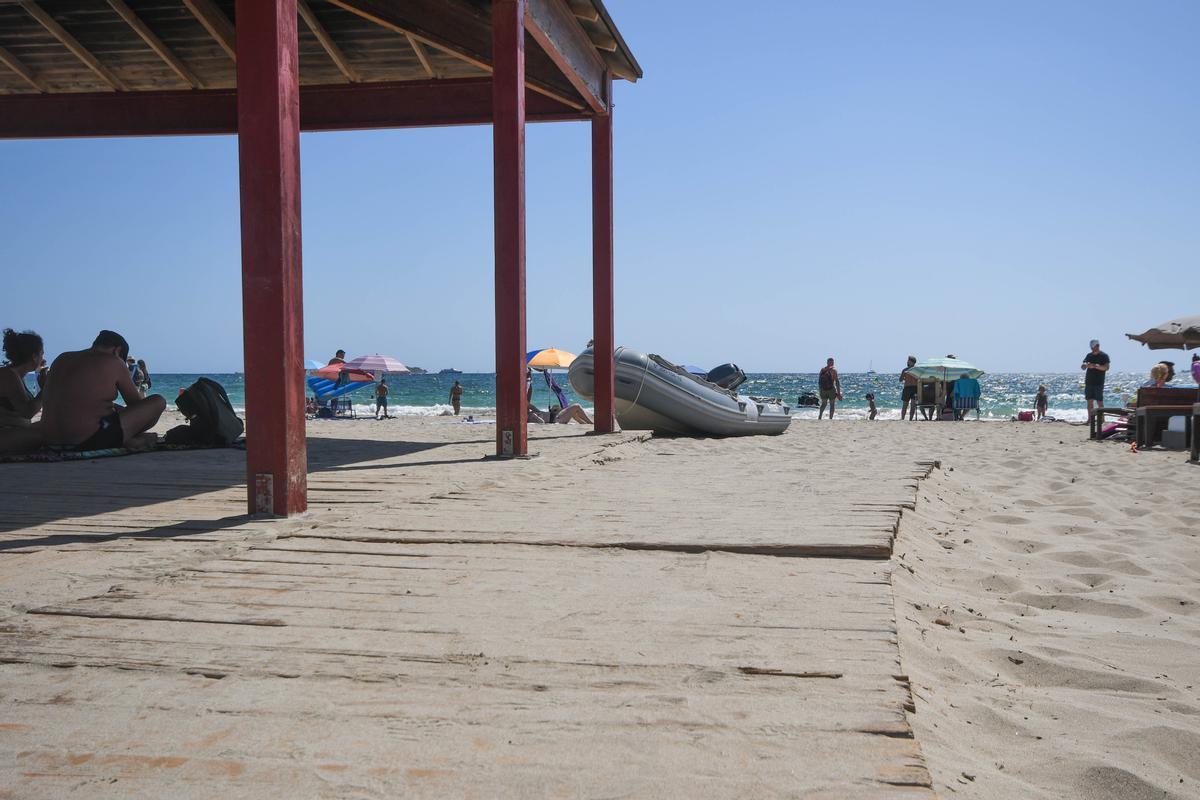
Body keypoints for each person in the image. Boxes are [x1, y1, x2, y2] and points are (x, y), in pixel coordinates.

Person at [41, 330, 166, 450]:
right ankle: (131, 440)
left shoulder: (61, 358)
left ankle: (127, 439)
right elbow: (136, 405)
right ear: (117, 351)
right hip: (87, 440)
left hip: (50, 440)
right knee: (158, 401)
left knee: (111, 408)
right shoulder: (114, 361)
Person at [0, 329, 48, 452]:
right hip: (4, 433)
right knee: (47, 434)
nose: (44, 359)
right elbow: (27, 412)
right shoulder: (8, 376)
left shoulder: (16, 375)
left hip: (12, 431)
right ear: (34, 357)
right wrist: (45, 388)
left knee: (51, 425)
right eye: (42, 354)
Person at [1081, 339, 1110, 418]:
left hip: (1098, 382)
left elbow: (1106, 368)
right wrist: (1085, 365)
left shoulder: (1104, 356)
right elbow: (1083, 366)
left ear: (1098, 346)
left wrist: (1095, 366)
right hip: (1089, 382)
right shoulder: (1089, 355)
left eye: (1093, 347)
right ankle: (1090, 419)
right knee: (1089, 402)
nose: (1092, 348)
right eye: (1091, 347)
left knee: (1099, 402)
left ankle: (1102, 419)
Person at [899, 356, 918, 421]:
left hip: (913, 388)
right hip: (909, 388)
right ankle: (903, 418)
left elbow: (900, 380)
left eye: (908, 360)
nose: (907, 361)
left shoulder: (906, 370)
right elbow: (900, 380)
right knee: (905, 405)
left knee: (912, 405)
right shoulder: (906, 370)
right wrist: (905, 377)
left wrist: (905, 377)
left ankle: (909, 419)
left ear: (912, 362)